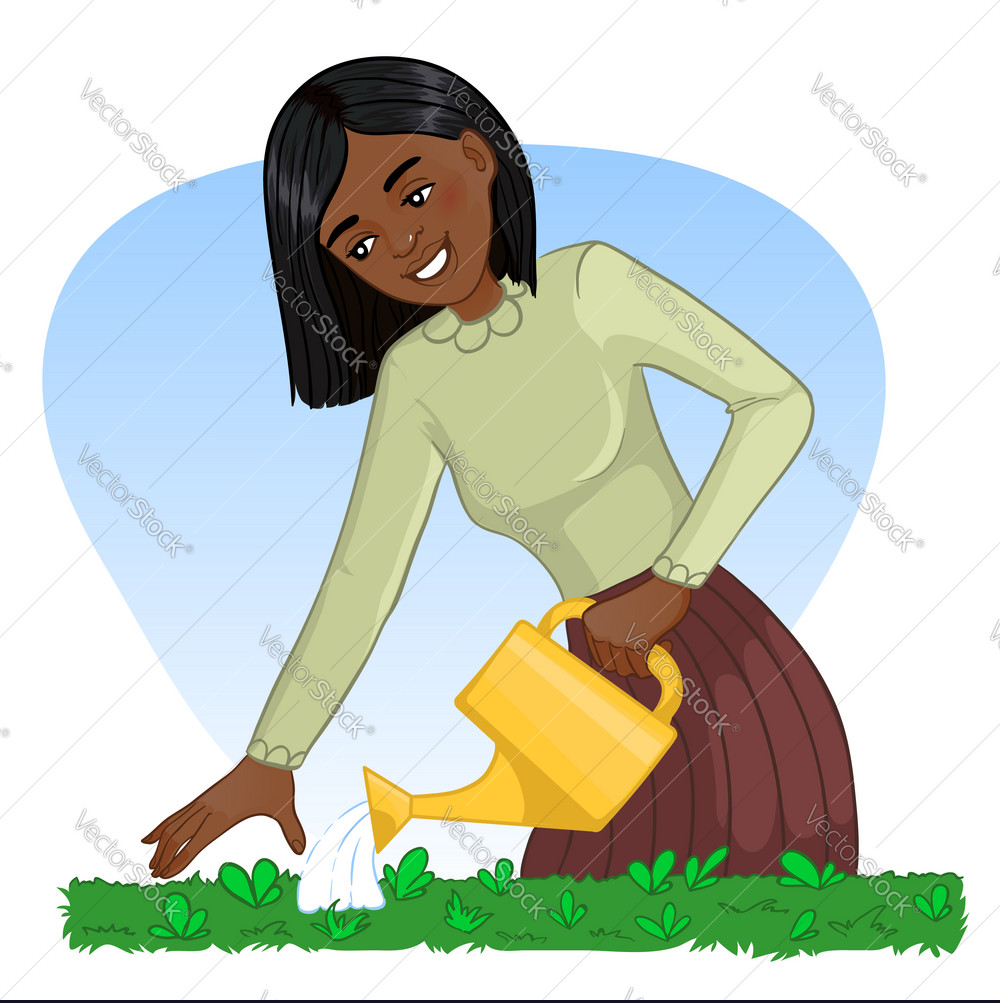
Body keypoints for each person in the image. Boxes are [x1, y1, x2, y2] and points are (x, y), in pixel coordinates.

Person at [143, 56, 858, 882]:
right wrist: (273, 757)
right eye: (361, 242)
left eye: (413, 194)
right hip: (592, 684)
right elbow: (361, 576)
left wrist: (673, 579)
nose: (402, 243)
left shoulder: (591, 284)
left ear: (478, 156)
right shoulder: (414, 378)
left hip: (715, 663)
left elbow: (778, 404)